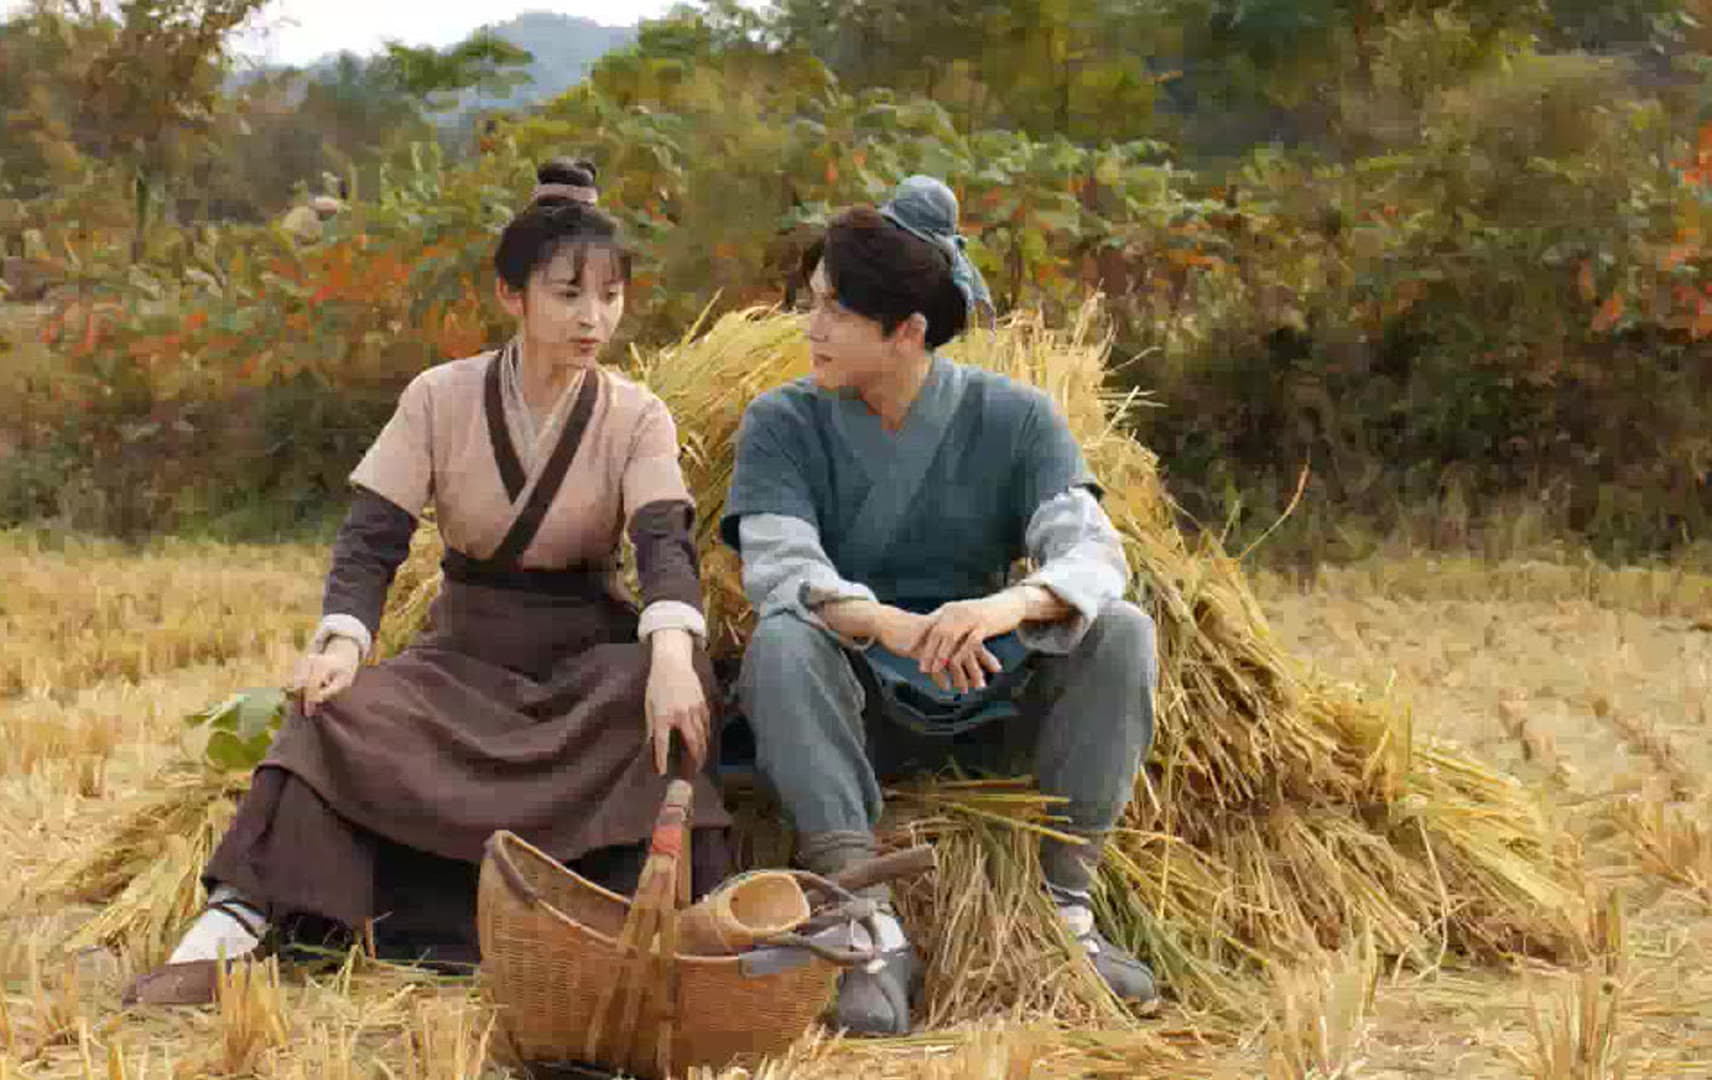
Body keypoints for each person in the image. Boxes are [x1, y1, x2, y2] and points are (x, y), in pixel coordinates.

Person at [126, 159, 732, 1005]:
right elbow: (372, 540)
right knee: (331, 714)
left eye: (610, 295)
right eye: (567, 294)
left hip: (582, 663)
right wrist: (343, 642)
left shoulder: (638, 415)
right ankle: (238, 921)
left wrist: (669, 655)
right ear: (511, 295)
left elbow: (664, 546)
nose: (593, 318)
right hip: (463, 658)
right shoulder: (437, 397)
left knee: (672, 693)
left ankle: (626, 925)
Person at [721, 176, 1160, 1034]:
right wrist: (892, 625)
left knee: (1122, 633)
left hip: (988, 689)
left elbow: (1093, 550)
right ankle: (864, 922)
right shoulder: (781, 422)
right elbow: (781, 563)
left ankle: (1065, 910)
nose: (811, 327)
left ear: (909, 332)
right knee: (782, 640)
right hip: (859, 710)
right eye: (812, 303)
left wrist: (1003, 609)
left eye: (836, 310)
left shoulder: (1019, 419)